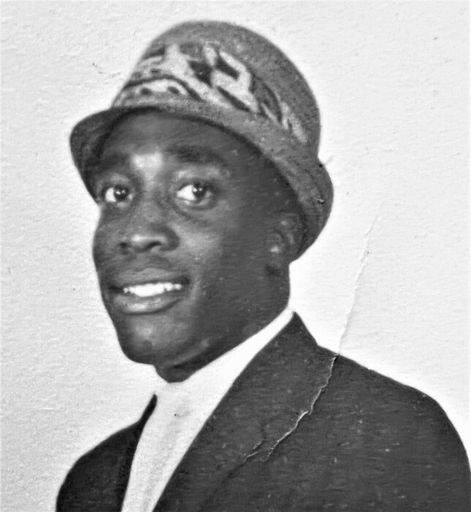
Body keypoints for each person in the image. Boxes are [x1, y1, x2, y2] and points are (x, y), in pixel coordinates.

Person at [57, 21, 470, 512]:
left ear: (280, 237)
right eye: (117, 193)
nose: (136, 231)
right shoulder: (91, 483)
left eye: (194, 191)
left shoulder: (383, 440)